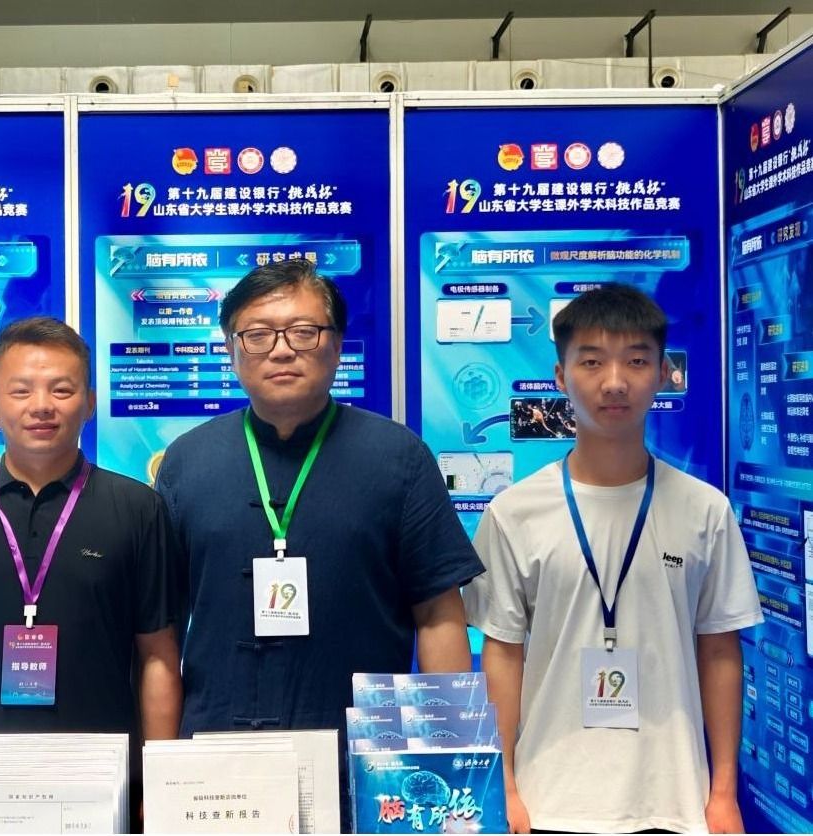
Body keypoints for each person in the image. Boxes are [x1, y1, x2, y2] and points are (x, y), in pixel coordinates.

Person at [155, 259, 482, 823]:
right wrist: (159, 771)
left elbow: (438, 617)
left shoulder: (399, 457)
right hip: (217, 765)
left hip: (369, 766)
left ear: (336, 346)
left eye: (304, 331)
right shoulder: (187, 461)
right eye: (258, 334)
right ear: (232, 350)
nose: (282, 350)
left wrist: (455, 771)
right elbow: (159, 630)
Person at [464, 284, 763, 833]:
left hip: (674, 802)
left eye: (636, 360)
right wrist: (502, 785)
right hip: (547, 801)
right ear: (560, 377)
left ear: (664, 373)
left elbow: (720, 650)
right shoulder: (513, 513)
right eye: (592, 361)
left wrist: (723, 793)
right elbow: (501, 654)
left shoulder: (705, 510)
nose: (615, 381)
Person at [0, 317, 181, 820]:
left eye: (62, 389)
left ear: (89, 403)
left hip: (101, 789)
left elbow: (158, 657)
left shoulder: (139, 510)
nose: (42, 405)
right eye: (21, 390)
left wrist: (155, 788)